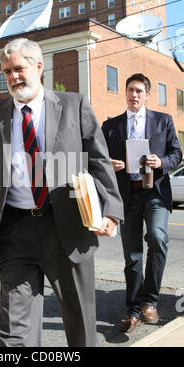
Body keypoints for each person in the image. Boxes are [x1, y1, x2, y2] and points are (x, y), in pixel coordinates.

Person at [0, 38, 123, 347]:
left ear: (39, 66)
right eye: (7, 72)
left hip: (67, 225)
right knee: (13, 327)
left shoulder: (74, 104)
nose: (13, 77)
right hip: (15, 230)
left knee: (80, 319)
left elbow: (98, 159)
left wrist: (110, 209)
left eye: (19, 68)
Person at [102, 73, 182, 333]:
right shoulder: (111, 126)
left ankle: (151, 301)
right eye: (130, 90)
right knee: (132, 255)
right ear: (126, 93)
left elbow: (176, 154)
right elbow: (99, 158)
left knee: (158, 238)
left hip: (155, 191)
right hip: (126, 195)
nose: (133, 95)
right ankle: (134, 308)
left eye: (138, 91)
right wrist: (109, 164)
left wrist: (161, 163)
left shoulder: (163, 121)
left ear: (147, 94)